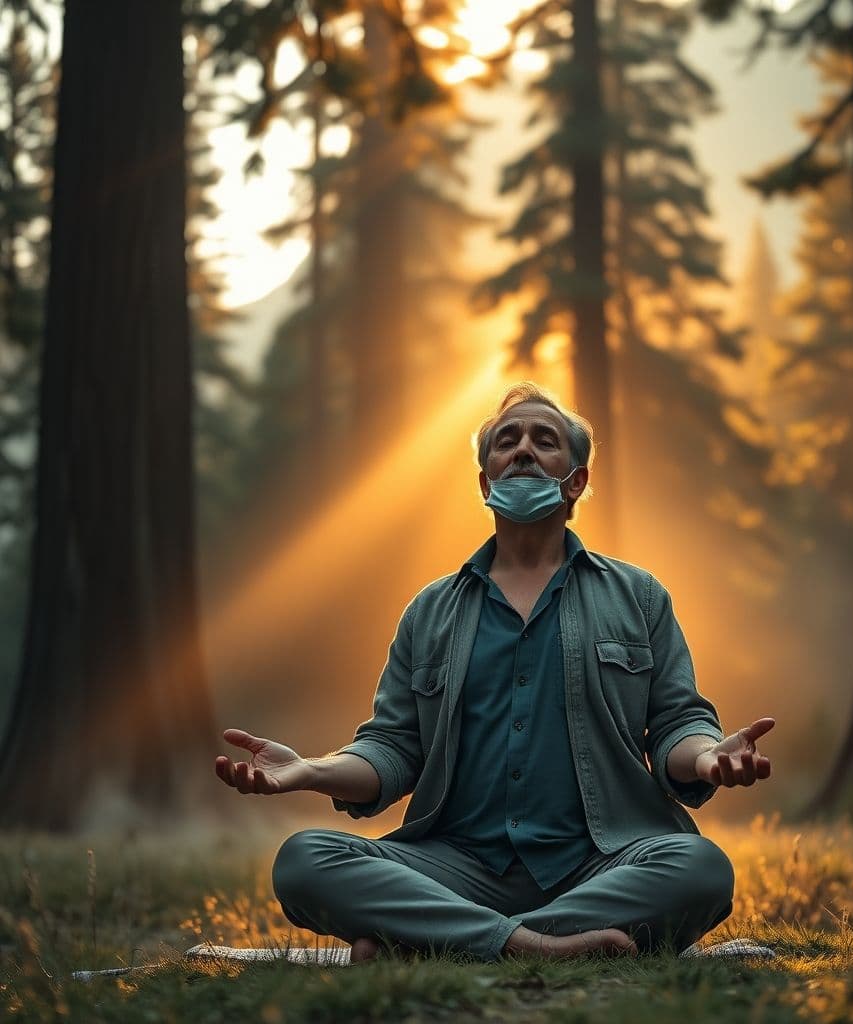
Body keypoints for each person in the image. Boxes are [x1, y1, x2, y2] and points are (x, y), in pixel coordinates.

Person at [215, 382, 775, 964]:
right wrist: (310, 770)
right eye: (507, 441)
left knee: (700, 868)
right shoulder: (430, 611)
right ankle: (532, 945)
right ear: (486, 483)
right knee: (305, 860)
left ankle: (439, 941)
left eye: (545, 440)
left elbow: (678, 722)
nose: (523, 449)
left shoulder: (639, 597)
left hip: (601, 863)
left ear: (576, 480)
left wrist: (708, 755)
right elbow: (392, 748)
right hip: (455, 865)